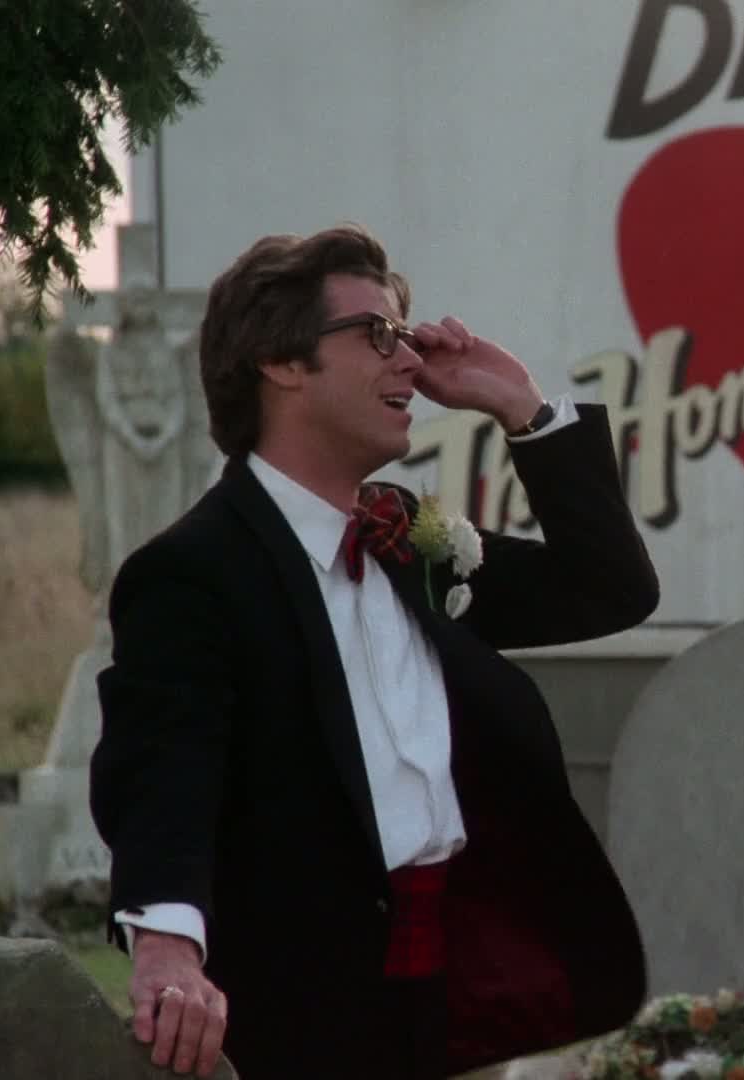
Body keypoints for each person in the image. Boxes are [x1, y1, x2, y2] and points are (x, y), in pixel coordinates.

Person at [87, 224, 660, 1079]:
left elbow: (610, 588)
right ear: (281, 362)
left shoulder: (407, 540)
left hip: (464, 1003)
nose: (411, 362)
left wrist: (523, 408)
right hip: (306, 1021)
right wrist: (167, 946)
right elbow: (164, 767)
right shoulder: (193, 572)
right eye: (378, 335)